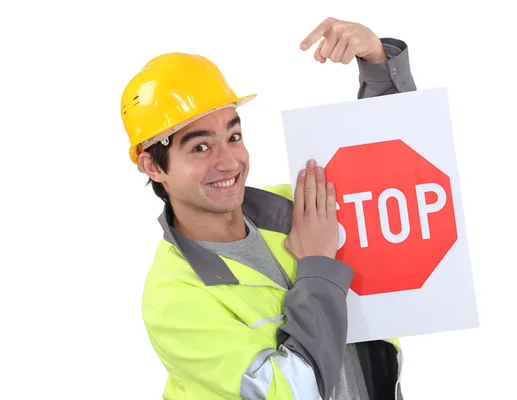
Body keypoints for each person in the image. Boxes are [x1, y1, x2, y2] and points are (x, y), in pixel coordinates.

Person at [120, 17, 417, 400]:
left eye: (233, 136)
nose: (229, 161)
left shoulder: (295, 209)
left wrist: (378, 64)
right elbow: (294, 391)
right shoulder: (174, 297)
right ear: (153, 166)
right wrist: (317, 266)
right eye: (200, 147)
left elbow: (393, 176)